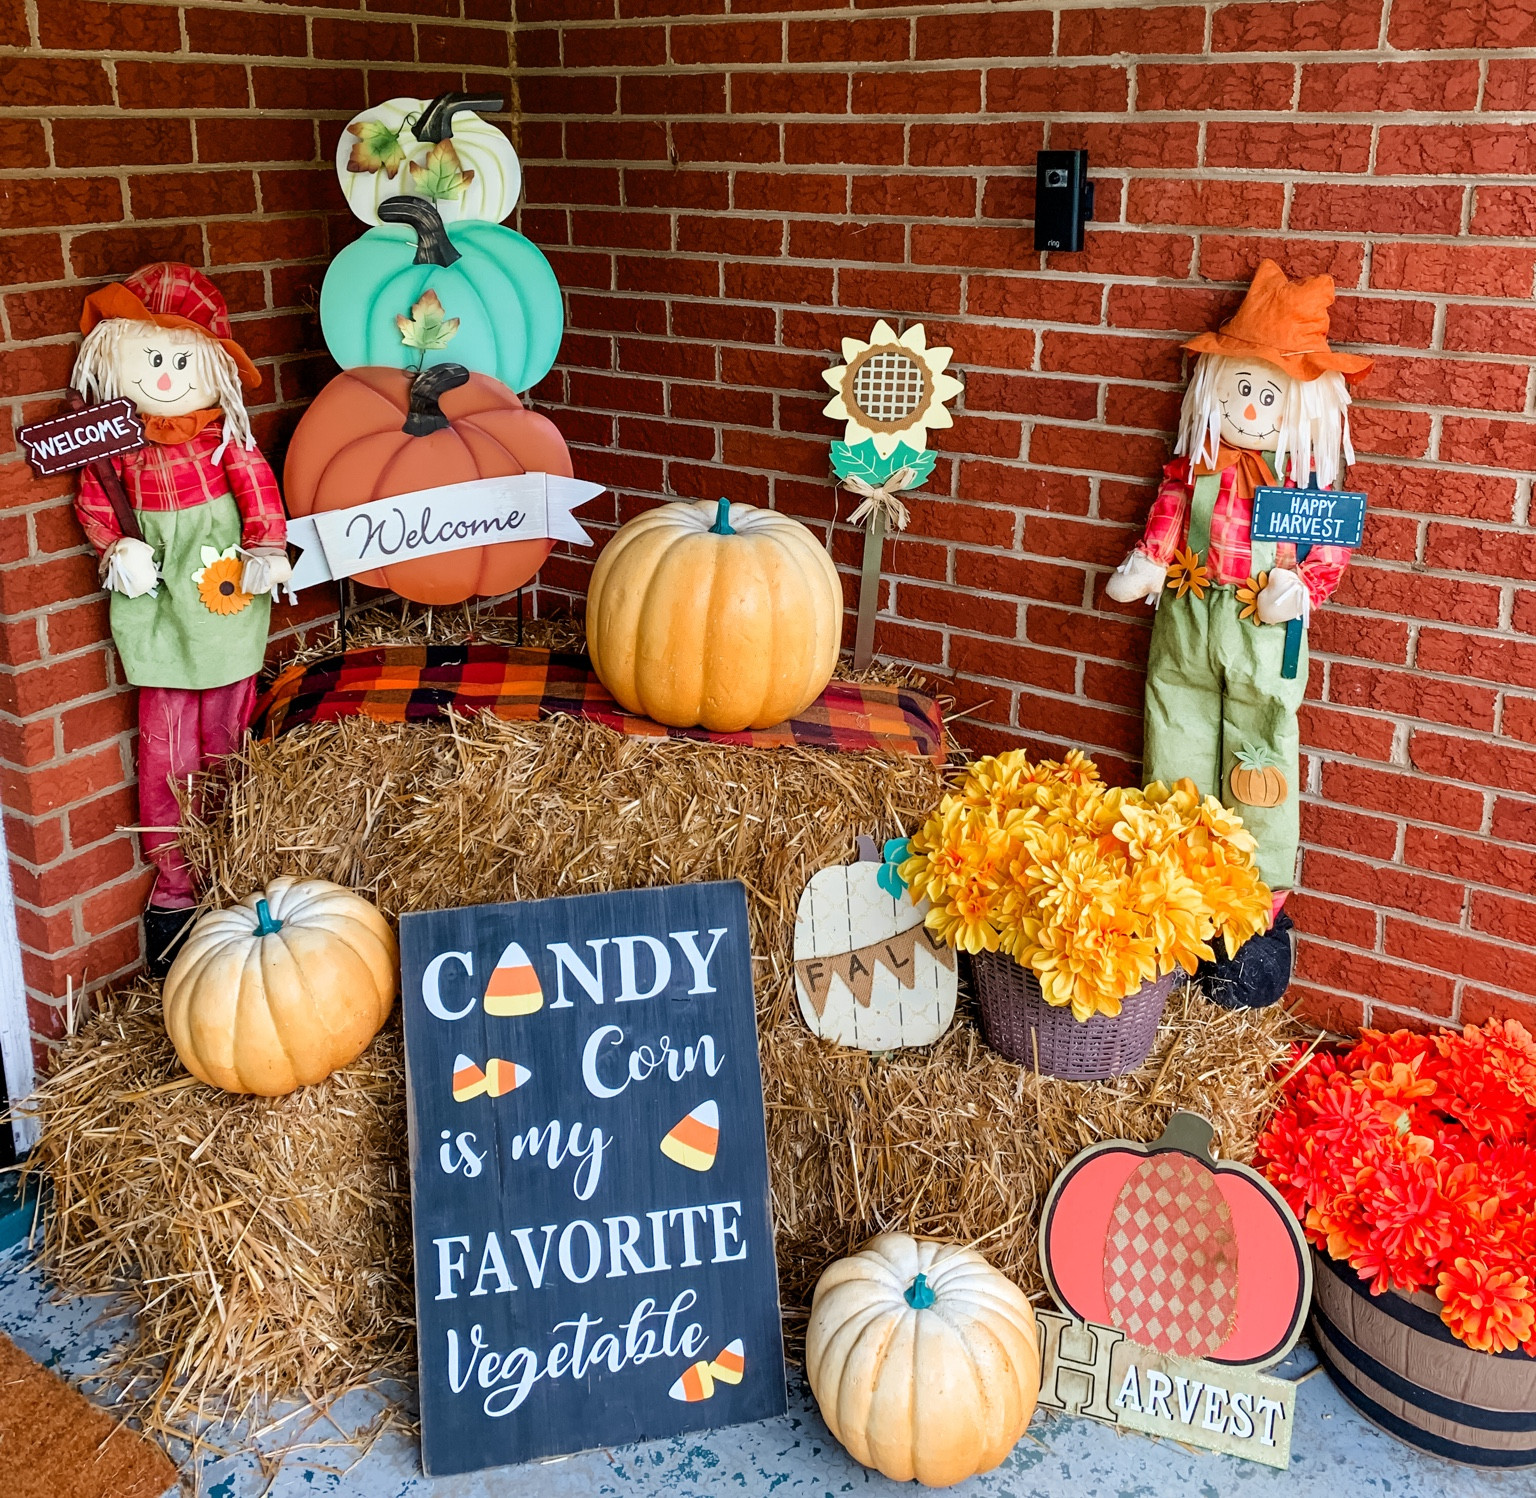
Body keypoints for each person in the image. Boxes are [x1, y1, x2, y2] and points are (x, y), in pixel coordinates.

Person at [1104, 260, 1373, 1007]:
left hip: (1262, 626)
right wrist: (1150, 562)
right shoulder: (1196, 464)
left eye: (1266, 392)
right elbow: (1167, 515)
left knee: (1261, 758)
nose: (1250, 406)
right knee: (1175, 741)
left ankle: (1254, 915)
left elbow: (1330, 545)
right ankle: (1175, 887)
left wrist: (1304, 586)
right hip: (1187, 619)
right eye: (1240, 388)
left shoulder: (1303, 478)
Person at [71, 263, 291, 976]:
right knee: (167, 745)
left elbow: (258, 494)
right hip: (158, 602)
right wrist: (119, 546)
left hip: (223, 599)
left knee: (229, 730)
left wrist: (266, 547)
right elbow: (97, 505)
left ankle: (233, 863)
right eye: (151, 361)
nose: (165, 378)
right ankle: (176, 886)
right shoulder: (114, 449)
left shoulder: (225, 438)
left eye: (179, 361)